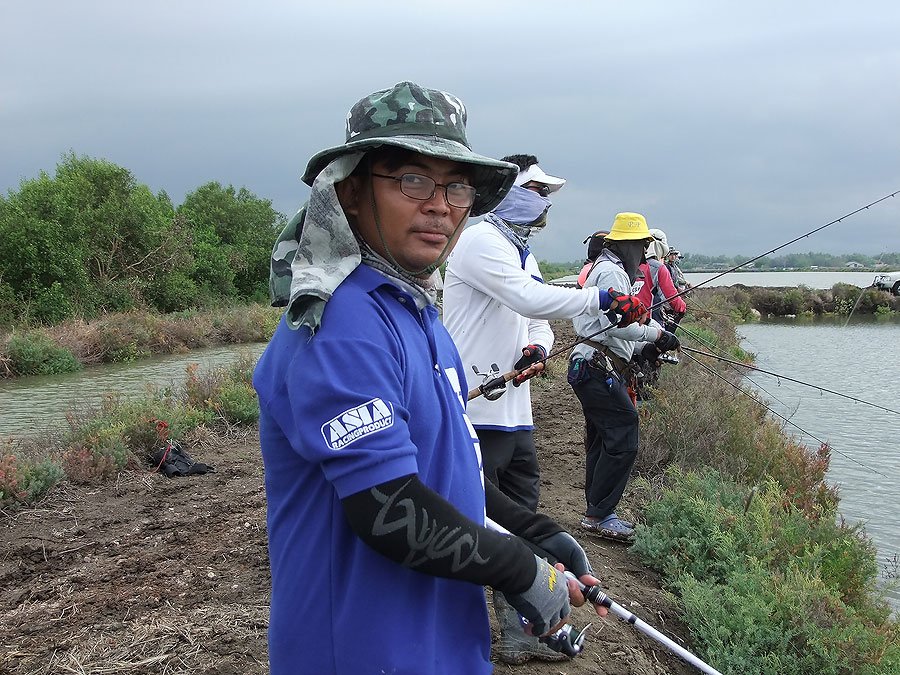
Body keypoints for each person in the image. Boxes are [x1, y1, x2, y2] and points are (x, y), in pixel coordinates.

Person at [254, 82, 608, 675]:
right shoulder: (341, 324)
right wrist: (519, 570)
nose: (440, 204)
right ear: (351, 191)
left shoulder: (414, 311)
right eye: (412, 180)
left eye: (456, 186)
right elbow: (389, 507)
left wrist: (535, 532)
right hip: (362, 654)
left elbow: (445, 472)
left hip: (439, 646)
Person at [441, 156, 644, 664]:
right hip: (476, 413)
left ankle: (525, 631)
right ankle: (465, 633)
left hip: (515, 412)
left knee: (521, 520)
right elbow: (527, 297)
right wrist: (597, 299)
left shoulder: (518, 248)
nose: (544, 199)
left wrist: (534, 347)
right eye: (535, 188)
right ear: (507, 189)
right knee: (474, 523)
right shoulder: (479, 240)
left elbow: (538, 314)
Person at [568, 213, 680, 542]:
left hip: (595, 363)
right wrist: (657, 335)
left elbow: (614, 327)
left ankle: (597, 510)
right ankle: (600, 515)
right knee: (624, 431)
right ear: (627, 246)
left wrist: (642, 347)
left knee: (604, 439)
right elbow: (620, 322)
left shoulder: (608, 268)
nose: (644, 255)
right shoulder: (611, 271)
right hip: (595, 366)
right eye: (642, 247)